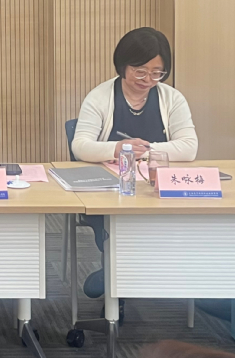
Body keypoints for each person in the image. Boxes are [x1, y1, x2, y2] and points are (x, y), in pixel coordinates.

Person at [71, 27, 198, 300]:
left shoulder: (172, 98)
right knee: (118, 228)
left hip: (158, 189)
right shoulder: (100, 97)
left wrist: (145, 151)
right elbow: (80, 145)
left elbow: (189, 147)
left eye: (156, 73)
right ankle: (120, 270)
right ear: (123, 65)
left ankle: (122, 271)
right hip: (111, 191)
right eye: (140, 71)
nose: (147, 80)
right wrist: (117, 149)